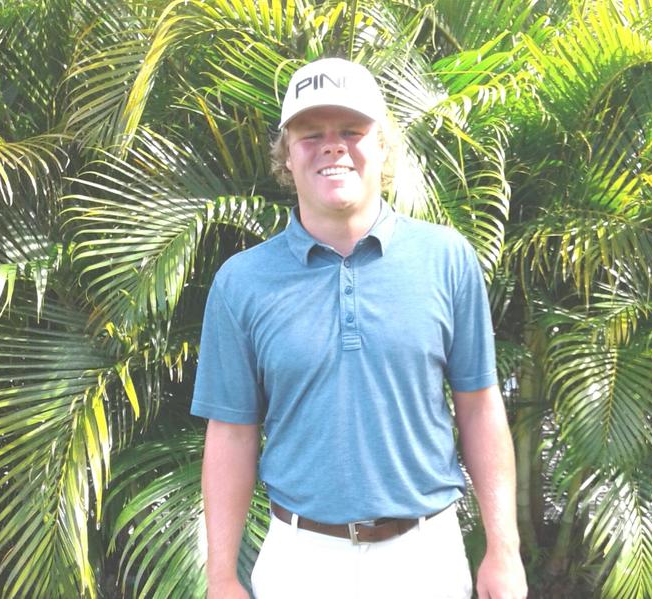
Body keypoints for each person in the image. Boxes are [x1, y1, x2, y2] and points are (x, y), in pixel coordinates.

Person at [191, 57, 527, 599]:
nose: (333, 147)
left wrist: (504, 551)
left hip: (426, 559)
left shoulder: (446, 258)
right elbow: (231, 432)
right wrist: (221, 578)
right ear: (286, 155)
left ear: (382, 146)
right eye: (311, 134)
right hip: (299, 563)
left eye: (352, 130)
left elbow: (479, 406)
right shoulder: (242, 282)